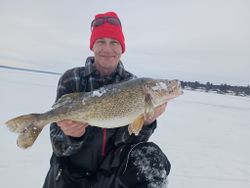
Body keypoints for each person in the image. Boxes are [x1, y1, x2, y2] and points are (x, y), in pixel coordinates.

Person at [43, 11, 171, 188]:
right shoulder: (71, 79)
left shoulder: (134, 84)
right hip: (70, 174)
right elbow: (58, 146)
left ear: (122, 48)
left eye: (114, 42)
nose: (108, 49)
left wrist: (146, 122)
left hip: (111, 173)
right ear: (92, 46)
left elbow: (131, 145)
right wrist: (72, 136)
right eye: (101, 41)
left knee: (151, 156)